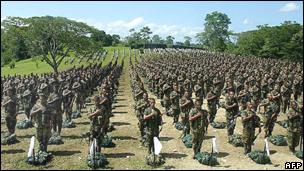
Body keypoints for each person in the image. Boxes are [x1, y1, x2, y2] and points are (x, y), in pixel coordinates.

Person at [30, 83, 52, 152]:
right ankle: (40, 148)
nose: (43, 99)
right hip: (38, 125)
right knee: (39, 138)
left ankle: (45, 150)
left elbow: (51, 116)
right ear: (40, 98)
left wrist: (51, 124)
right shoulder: (36, 106)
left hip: (46, 125)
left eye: (45, 98)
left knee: (45, 138)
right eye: (42, 97)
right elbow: (31, 114)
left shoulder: (48, 106)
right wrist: (38, 110)